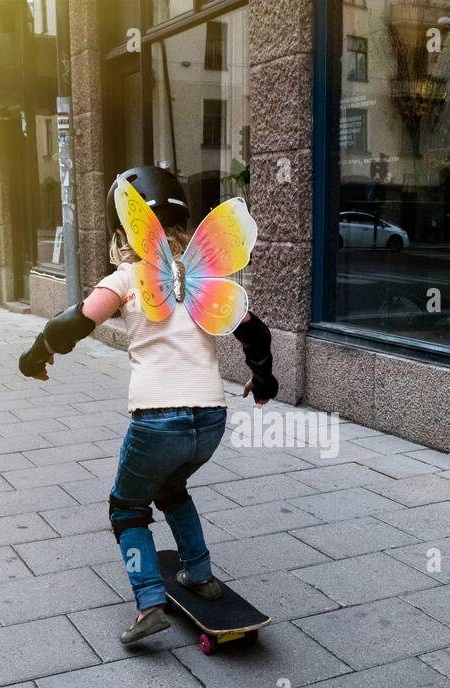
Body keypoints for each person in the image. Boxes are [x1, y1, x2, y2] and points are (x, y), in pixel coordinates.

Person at [17, 165, 278, 645]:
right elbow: (256, 334)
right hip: (212, 419)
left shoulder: (129, 276)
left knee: (126, 507)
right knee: (173, 488)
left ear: (127, 232)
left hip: (158, 421)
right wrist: (263, 382)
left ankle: (149, 603)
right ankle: (199, 573)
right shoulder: (206, 280)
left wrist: (37, 354)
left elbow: (72, 323)